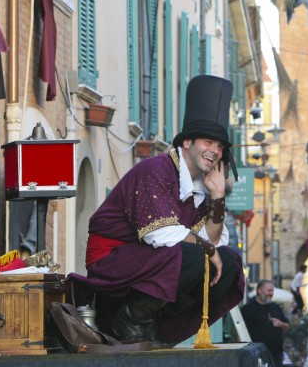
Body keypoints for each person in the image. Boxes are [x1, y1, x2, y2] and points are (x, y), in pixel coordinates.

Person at [67, 75, 244, 346]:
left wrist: (218, 196)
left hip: (152, 263)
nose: (215, 151)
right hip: (112, 261)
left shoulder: (203, 188)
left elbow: (215, 241)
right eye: (208, 142)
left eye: (220, 146)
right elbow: (160, 235)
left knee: (230, 262)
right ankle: (130, 317)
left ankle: (154, 318)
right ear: (187, 143)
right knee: (198, 256)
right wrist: (208, 250)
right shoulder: (155, 169)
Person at [240, 280, 290, 367]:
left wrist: (281, 324)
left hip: (276, 354)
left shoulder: (276, 307)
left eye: (272, 291)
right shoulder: (248, 309)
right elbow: (240, 331)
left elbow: (287, 326)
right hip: (256, 354)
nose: (271, 293)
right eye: (269, 290)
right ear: (259, 291)